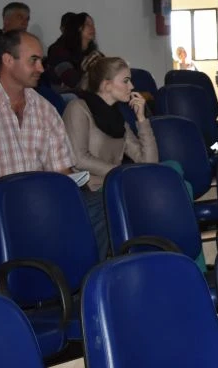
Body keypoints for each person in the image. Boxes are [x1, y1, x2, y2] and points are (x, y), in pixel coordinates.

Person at [0, 31, 84, 252]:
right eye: (33, 60)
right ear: (7, 60)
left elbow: (62, 170)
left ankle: (84, 270)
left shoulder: (44, 108)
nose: (41, 68)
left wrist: (64, 194)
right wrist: (30, 203)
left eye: (41, 61)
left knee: (98, 207)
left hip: (39, 199)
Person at [62, 57, 158, 255]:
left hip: (112, 187)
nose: (131, 87)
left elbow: (149, 162)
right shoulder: (78, 108)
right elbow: (78, 158)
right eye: (126, 81)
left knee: (164, 180)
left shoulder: (117, 119)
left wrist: (141, 119)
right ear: (106, 85)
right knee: (116, 201)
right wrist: (120, 174)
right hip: (87, 190)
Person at [46, 12, 103, 96]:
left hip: (86, 92)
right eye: (88, 24)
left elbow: (105, 73)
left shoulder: (92, 51)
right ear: (77, 28)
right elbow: (73, 81)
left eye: (93, 24)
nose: (92, 28)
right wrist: (86, 70)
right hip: (64, 96)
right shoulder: (58, 50)